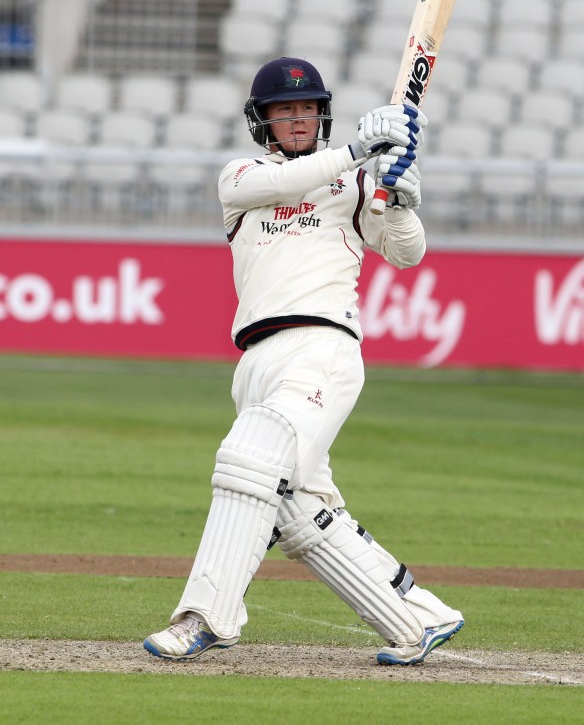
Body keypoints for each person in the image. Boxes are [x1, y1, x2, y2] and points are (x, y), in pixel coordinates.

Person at [144, 57, 464, 666]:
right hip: (256, 361)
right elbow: (289, 184)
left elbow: (406, 254)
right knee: (298, 510)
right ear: (261, 120)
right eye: (285, 110)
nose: (298, 118)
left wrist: (398, 199)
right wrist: (356, 150)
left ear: (323, 114)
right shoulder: (241, 178)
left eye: (308, 108)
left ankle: (204, 616)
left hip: (324, 348)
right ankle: (417, 619)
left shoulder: (355, 182)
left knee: (249, 459)